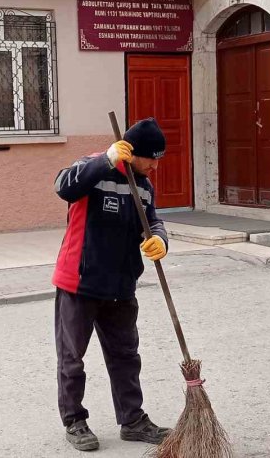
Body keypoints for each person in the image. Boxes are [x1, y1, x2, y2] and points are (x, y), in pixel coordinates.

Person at [51, 117, 172, 452]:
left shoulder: (144, 186)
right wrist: (106, 159)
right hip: (80, 282)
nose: (156, 165)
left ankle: (132, 420)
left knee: (126, 356)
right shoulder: (92, 167)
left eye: (159, 158)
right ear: (132, 152)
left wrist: (159, 239)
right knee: (72, 358)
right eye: (152, 158)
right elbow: (64, 187)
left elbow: (153, 220)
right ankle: (74, 421)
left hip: (121, 286)